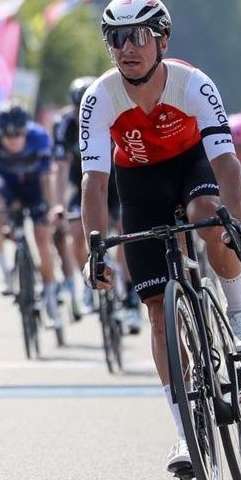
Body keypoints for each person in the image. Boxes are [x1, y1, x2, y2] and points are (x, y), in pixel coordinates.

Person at [80, 0, 241, 480]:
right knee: (158, 311)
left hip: (192, 165)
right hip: (138, 182)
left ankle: (239, 311)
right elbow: (94, 182)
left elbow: (226, 162)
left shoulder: (193, 84)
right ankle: (184, 430)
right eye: (116, 38)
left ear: (162, 39)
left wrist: (237, 226)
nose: (127, 48)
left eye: (138, 36)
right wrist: (93, 247)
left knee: (210, 215)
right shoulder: (99, 97)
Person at [53, 77, 141, 332]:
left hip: (117, 183)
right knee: (75, 234)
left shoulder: (114, 115)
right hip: (83, 183)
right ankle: (88, 279)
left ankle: (130, 297)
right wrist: (57, 205)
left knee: (126, 230)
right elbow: (58, 169)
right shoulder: (64, 125)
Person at [0, 103, 62, 329]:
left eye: (18, 135)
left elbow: (48, 177)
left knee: (43, 241)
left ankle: (51, 297)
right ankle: (6, 273)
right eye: (8, 135)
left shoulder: (39, 137)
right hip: (9, 187)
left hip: (36, 187)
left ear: (26, 131)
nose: (13, 140)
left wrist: (51, 206)